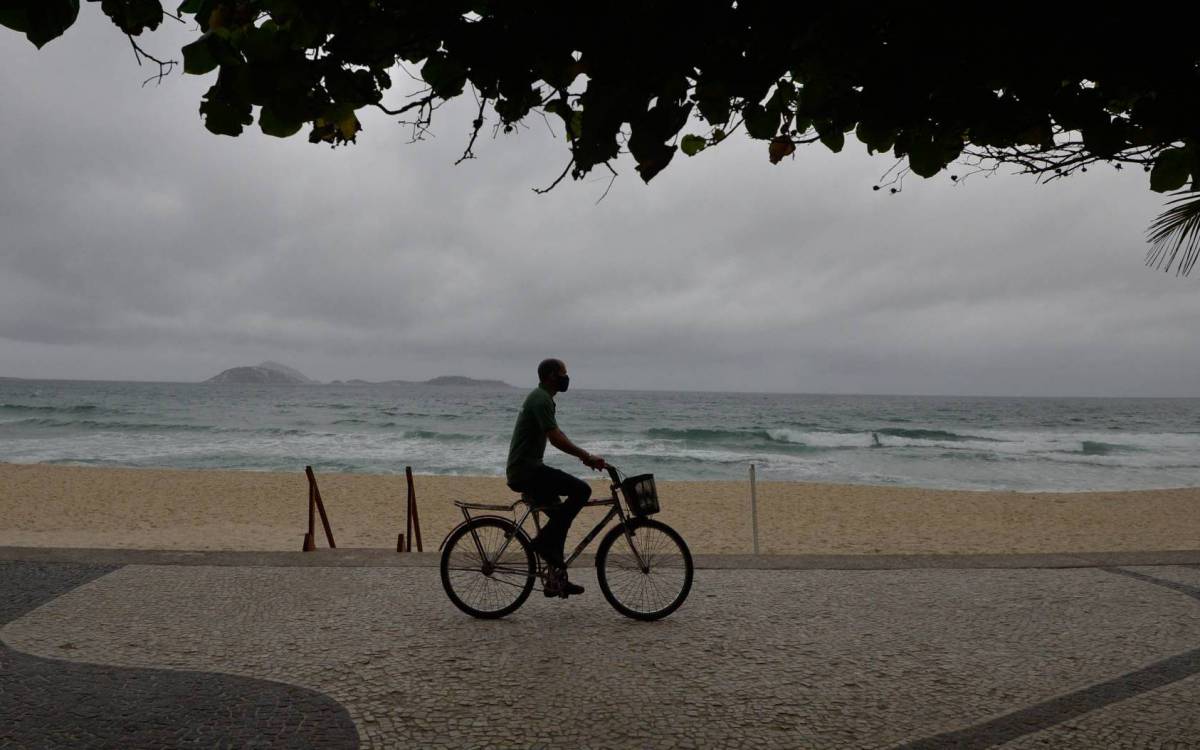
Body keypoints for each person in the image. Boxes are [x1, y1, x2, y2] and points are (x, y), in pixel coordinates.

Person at [506, 358, 606, 598]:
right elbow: (555, 439)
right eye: (563, 374)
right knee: (582, 491)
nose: (566, 378)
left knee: (561, 519)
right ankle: (542, 543)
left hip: (526, 469)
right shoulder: (541, 399)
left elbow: (557, 432)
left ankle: (556, 579)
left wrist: (585, 457)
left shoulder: (542, 398)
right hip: (527, 471)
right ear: (552, 375)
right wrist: (586, 456)